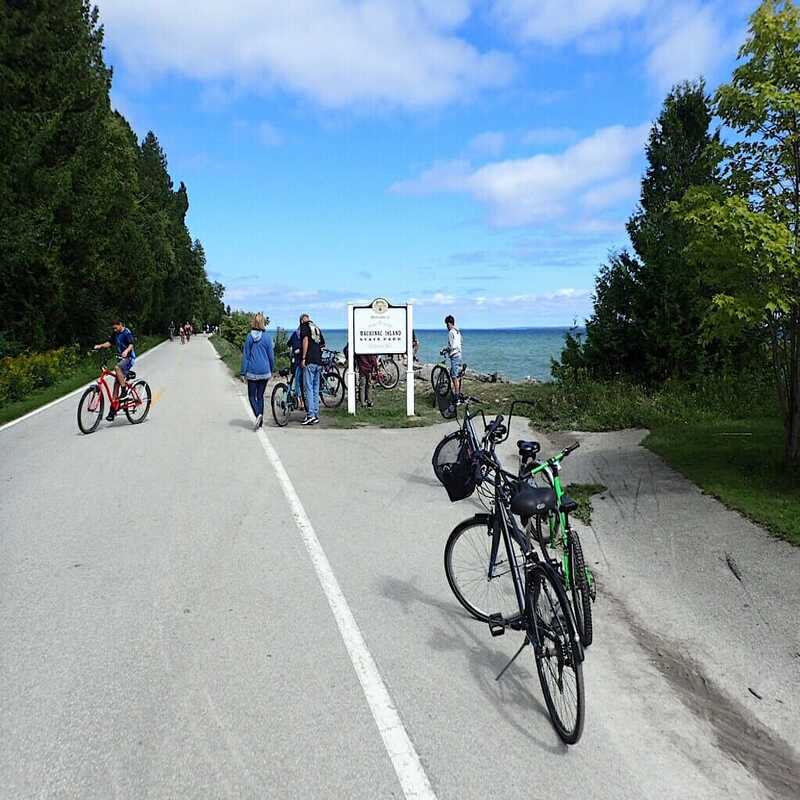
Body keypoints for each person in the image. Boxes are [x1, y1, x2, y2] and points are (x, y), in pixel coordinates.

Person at [93, 319, 136, 422]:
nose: (114, 330)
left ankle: (124, 391)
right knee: (115, 385)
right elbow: (110, 343)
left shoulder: (127, 332)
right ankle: (112, 411)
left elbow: (131, 344)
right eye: (113, 328)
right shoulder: (115, 333)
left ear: (120, 325)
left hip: (129, 358)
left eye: (116, 327)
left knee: (117, 368)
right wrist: (100, 346)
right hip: (121, 359)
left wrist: (126, 351)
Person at [240, 312, 275, 429]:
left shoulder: (249, 337)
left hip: (252, 371)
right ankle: (260, 421)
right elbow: (271, 356)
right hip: (264, 371)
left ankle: (258, 414)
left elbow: (246, 355)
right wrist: (271, 368)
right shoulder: (267, 338)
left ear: (253, 322)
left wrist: (242, 372)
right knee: (260, 396)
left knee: (251, 396)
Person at [299, 313, 325, 425]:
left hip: (309, 360)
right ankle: (315, 414)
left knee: (308, 388)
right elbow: (323, 344)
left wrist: (304, 357)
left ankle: (310, 415)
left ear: (301, 321)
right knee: (315, 388)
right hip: (319, 362)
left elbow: (305, 341)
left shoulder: (304, 327)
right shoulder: (316, 328)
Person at [287, 318, 305, 409]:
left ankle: (299, 400)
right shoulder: (305, 335)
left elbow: (288, 344)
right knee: (302, 382)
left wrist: (291, 351)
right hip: (303, 361)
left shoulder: (295, 334)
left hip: (296, 362)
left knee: (297, 381)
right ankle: (301, 401)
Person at [444, 314, 463, 398]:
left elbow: (451, 346)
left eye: (447, 325)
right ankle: (457, 391)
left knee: (454, 376)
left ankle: (456, 395)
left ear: (450, 323)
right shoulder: (457, 331)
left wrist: (444, 349)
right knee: (455, 374)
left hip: (454, 355)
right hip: (459, 354)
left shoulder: (451, 332)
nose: (447, 327)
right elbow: (461, 340)